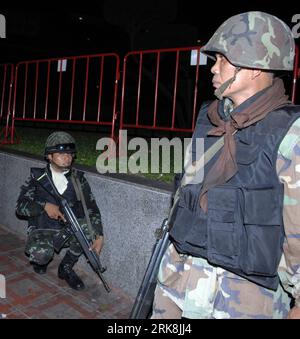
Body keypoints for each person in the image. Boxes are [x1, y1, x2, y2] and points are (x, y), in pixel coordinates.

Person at [151, 11, 300, 319]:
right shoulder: (211, 117)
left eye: (223, 59)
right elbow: (186, 192)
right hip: (181, 277)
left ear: (255, 66)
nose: (213, 68)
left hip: (243, 298)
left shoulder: (290, 133)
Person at [16, 131, 104, 291]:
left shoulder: (78, 180)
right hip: (44, 228)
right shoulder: (37, 178)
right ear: (49, 156)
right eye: (61, 153)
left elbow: (92, 208)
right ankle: (41, 259)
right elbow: (20, 207)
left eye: (70, 153)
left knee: (87, 230)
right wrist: (43, 205)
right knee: (41, 258)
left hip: (69, 229)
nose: (67, 157)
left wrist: (99, 235)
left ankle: (66, 267)